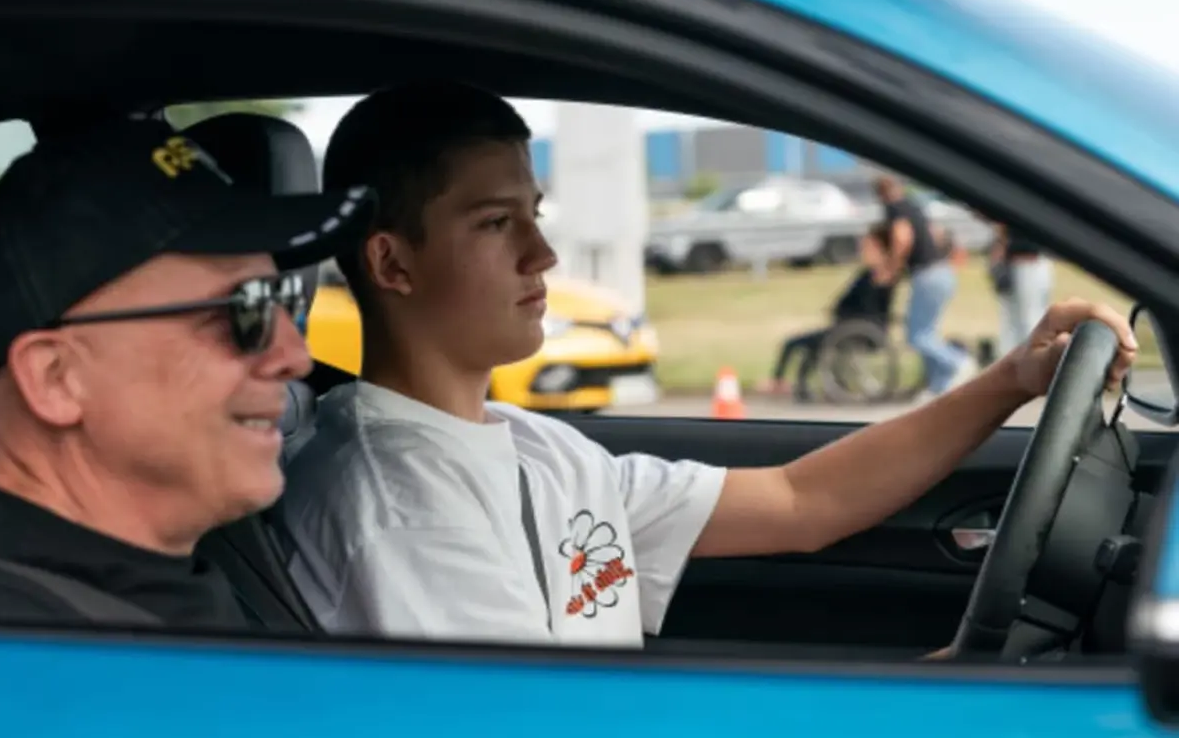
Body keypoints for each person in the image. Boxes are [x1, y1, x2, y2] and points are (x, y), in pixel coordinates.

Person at [277, 80, 1135, 648]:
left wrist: (1011, 379)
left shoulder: (531, 446)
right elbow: (531, 736)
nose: (543, 254)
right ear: (393, 265)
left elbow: (804, 502)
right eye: (498, 223)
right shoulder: (395, 506)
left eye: (534, 215)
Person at [0, 120, 375, 627]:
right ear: (56, 377)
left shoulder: (169, 595)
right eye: (243, 310)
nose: (295, 356)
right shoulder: (18, 660)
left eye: (284, 300)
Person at [759, 223, 895, 401]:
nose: (862, 249)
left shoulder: (876, 277)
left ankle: (779, 381)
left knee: (794, 343)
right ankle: (800, 387)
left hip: (855, 328)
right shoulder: (871, 274)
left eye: (866, 245)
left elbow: (863, 306)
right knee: (810, 344)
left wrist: (840, 313)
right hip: (851, 326)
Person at [873, 176, 975, 398]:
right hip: (942, 271)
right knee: (928, 332)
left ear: (881, 194)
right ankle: (939, 385)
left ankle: (956, 362)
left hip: (927, 274)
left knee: (917, 336)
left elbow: (902, 239)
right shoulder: (914, 206)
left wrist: (892, 268)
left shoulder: (895, 209)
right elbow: (936, 234)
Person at [989, 223, 1054, 356]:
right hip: (1025, 264)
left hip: (1027, 263)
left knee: (1027, 320)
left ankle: (1033, 361)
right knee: (1018, 321)